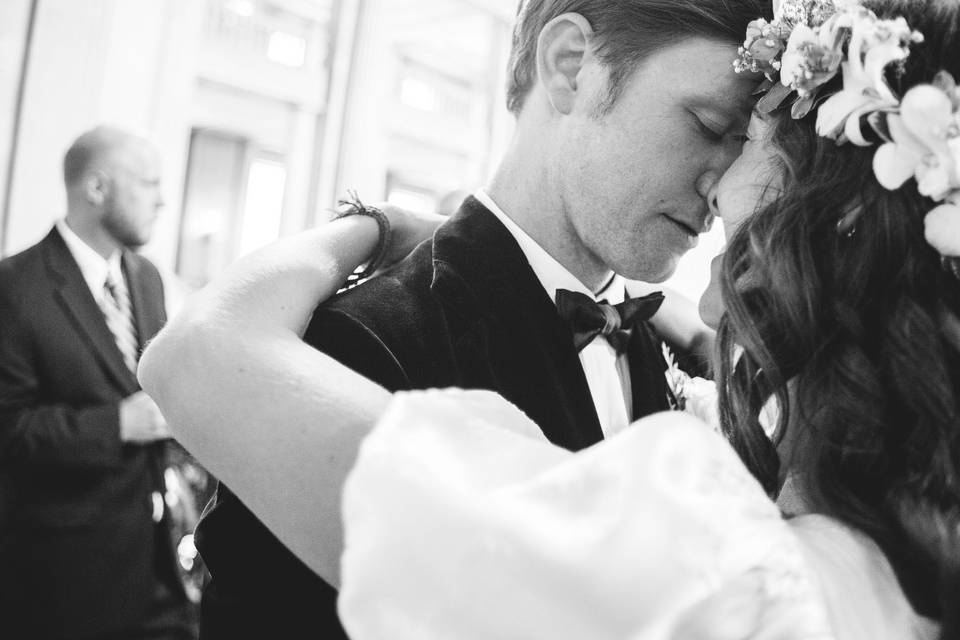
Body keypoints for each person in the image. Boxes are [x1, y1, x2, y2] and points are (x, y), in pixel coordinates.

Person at [142, 0, 960, 637]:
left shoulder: (691, 378)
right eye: (711, 126)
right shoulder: (358, 337)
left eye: (749, 146)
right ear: (573, 65)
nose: (722, 184)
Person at [0, 126, 196, 639]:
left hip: (153, 557)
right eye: (150, 184)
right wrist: (117, 424)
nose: (163, 200)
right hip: (62, 574)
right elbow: (10, 431)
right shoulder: (14, 288)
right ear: (97, 189)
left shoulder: (148, 277)